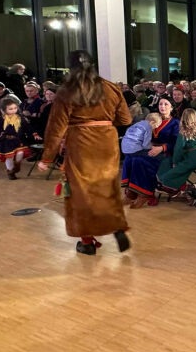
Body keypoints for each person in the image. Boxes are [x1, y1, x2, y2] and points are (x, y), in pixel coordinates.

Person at [37, 50, 133, 255]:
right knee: (107, 188)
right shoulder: (111, 88)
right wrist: (104, 124)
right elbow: (126, 120)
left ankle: (87, 242)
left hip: (81, 145)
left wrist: (47, 157)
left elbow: (56, 128)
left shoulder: (66, 91)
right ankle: (117, 226)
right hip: (107, 143)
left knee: (81, 194)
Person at [120, 98, 180, 207]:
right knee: (130, 158)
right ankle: (132, 193)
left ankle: (144, 194)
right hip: (148, 150)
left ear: (171, 108)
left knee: (140, 161)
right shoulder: (152, 118)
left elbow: (177, 142)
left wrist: (161, 148)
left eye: (166, 104)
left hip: (165, 153)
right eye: (160, 104)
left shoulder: (175, 123)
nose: (162, 106)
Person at [156, 109, 196, 197]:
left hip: (191, 159)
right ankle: (179, 187)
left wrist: (175, 162)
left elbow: (178, 149)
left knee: (168, 171)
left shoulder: (183, 132)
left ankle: (173, 188)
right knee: (168, 162)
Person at [0, 96, 41, 180]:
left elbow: (28, 127)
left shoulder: (21, 118)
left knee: (20, 154)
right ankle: (10, 172)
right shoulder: (0, 119)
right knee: (9, 157)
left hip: (19, 140)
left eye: (15, 108)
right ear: (3, 110)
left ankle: (16, 166)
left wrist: (34, 134)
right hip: (6, 141)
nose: (13, 110)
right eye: (10, 109)